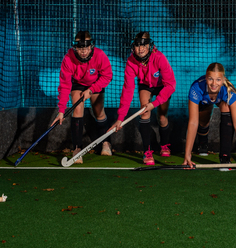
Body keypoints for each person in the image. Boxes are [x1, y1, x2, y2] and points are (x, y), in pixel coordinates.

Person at [109, 32, 176, 166]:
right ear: (133, 47)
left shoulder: (159, 58)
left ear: (149, 46)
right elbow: (127, 90)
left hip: (163, 86)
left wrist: (155, 103)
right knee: (144, 111)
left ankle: (164, 144)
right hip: (145, 85)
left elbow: (171, 85)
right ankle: (147, 151)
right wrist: (120, 118)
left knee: (162, 117)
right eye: (138, 46)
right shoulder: (131, 61)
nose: (140, 49)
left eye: (144, 45)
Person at [53, 31, 113, 164]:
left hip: (96, 83)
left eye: (86, 48)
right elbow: (64, 85)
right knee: (77, 108)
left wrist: (91, 90)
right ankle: (77, 149)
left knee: (99, 112)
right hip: (78, 84)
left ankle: (106, 143)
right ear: (75, 48)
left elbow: (107, 75)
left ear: (91, 46)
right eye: (80, 48)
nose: (83, 51)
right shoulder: (68, 59)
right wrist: (61, 110)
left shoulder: (99, 55)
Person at [182, 62, 236, 171]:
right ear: (206, 78)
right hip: (204, 103)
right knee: (202, 121)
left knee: (226, 107)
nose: (214, 83)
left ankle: (224, 157)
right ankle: (203, 142)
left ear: (223, 79)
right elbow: (193, 122)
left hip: (221, 101)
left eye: (218, 80)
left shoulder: (230, 92)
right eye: (210, 79)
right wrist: (187, 155)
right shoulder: (196, 88)